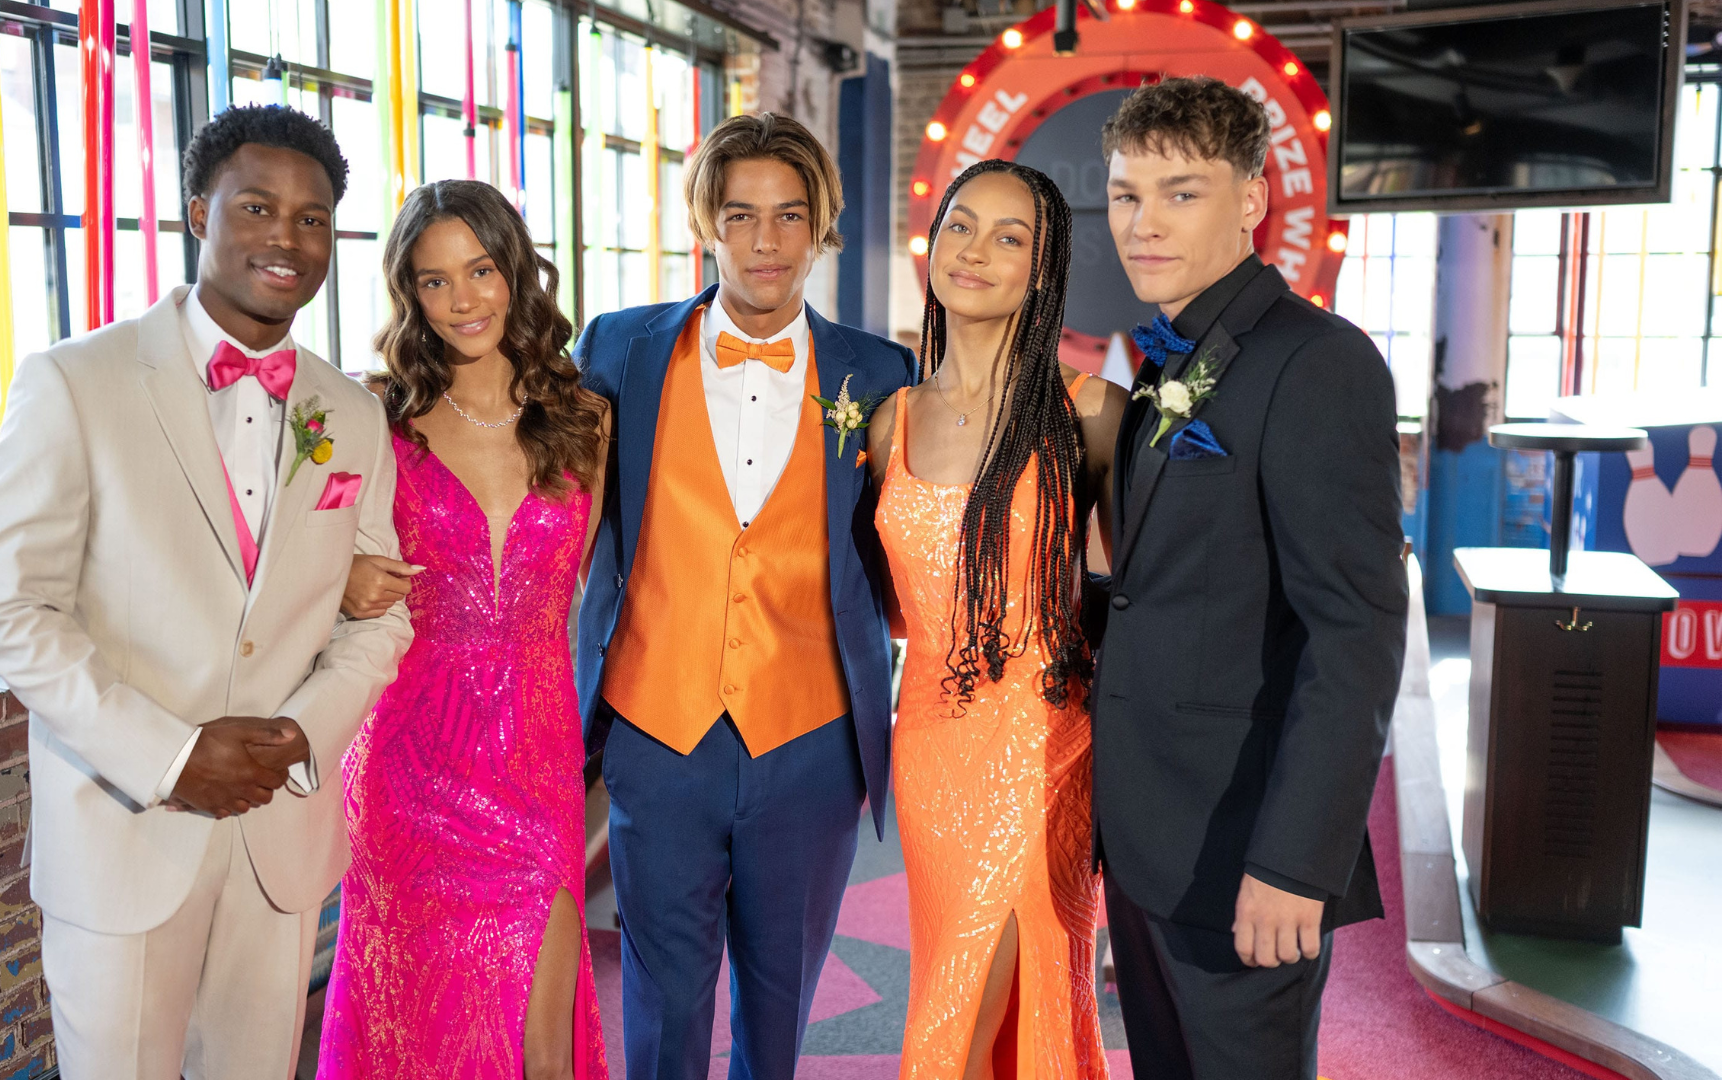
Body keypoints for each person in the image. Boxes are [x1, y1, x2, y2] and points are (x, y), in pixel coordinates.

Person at [0, 105, 412, 1079]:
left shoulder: (350, 412)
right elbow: (9, 608)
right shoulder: (76, 382)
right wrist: (171, 757)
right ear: (197, 211)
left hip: (280, 839)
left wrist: (302, 736)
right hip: (125, 834)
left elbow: (381, 616)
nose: (286, 238)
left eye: (312, 218)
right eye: (257, 206)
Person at [571, 112, 917, 1080]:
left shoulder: (880, 374)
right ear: (706, 224)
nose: (766, 242)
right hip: (657, 735)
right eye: (742, 215)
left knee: (780, 1006)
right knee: (662, 1004)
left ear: (822, 226)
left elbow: (912, 547)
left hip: (811, 746)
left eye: (790, 215)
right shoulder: (620, 351)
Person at [1092, 76, 1409, 1079]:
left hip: (1245, 850)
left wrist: (1294, 863)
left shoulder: (1319, 362)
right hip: (1151, 839)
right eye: (1125, 194)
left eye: (1180, 192)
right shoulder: (1167, 361)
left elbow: (1354, 632)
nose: (1144, 224)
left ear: (1254, 199)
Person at [317, 179, 611, 1080]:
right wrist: (339, 578)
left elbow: (575, 592)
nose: (462, 300)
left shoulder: (586, 419)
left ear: (514, 270)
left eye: (479, 270)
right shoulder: (374, 420)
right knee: (416, 1025)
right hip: (408, 766)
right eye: (434, 281)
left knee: (541, 1041)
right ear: (410, 294)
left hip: (534, 759)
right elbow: (295, 561)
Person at [867, 159, 1124, 1080]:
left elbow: (1147, 597)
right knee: (953, 981)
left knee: (985, 1001)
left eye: (1010, 237)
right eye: (960, 226)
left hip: (1042, 745)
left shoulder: (1090, 412)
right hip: (930, 746)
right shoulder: (886, 423)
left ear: (1044, 268)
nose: (975, 251)